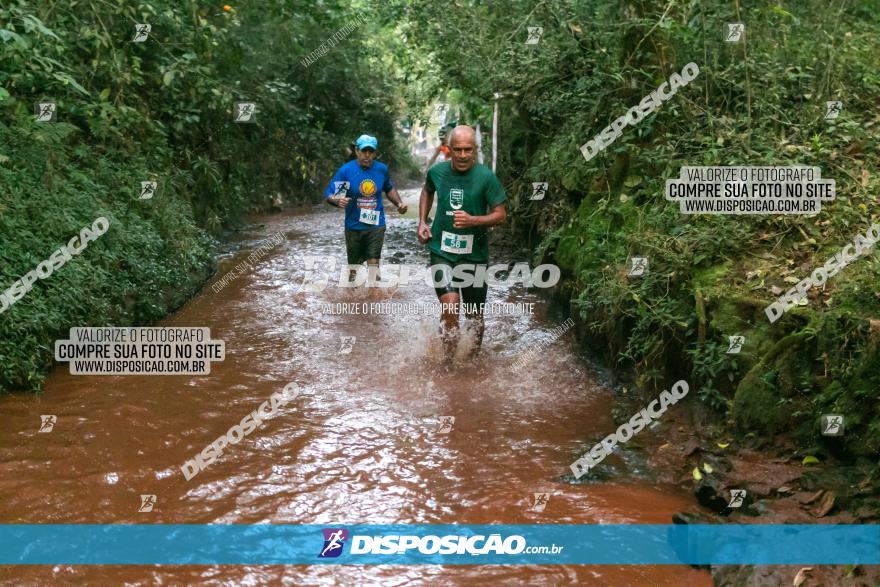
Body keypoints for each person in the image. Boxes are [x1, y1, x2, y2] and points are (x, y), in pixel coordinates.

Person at [417, 125, 507, 360]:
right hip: (442, 251)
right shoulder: (437, 172)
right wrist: (422, 222)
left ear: (475, 150)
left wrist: (473, 220)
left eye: (468, 150)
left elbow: (501, 214)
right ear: (450, 149)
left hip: (474, 255)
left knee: (475, 317)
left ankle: (471, 364)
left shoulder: (486, 177)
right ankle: (447, 365)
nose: (463, 155)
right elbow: (427, 192)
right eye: (458, 150)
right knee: (450, 308)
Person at [325, 134, 407, 282]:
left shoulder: (381, 170)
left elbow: (388, 189)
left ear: (375, 153)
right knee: (354, 270)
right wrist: (337, 201)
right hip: (354, 226)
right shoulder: (347, 171)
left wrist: (399, 204)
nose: (367, 155)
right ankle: (353, 299)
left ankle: (374, 299)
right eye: (364, 151)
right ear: (357, 151)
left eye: (371, 151)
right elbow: (331, 195)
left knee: (374, 264)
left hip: (376, 225)